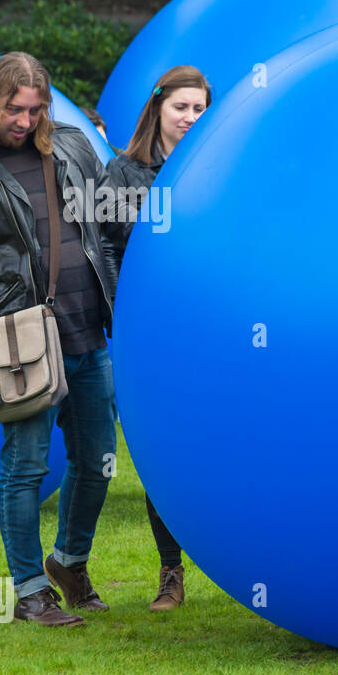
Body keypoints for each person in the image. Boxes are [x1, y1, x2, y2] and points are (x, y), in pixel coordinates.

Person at [0, 52, 130, 625]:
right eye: (14, 108)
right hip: (16, 341)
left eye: (35, 107)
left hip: (89, 332)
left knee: (98, 463)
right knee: (26, 467)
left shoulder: (72, 146)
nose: (25, 119)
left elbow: (111, 229)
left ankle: (69, 561)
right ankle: (29, 592)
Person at [106, 65, 212, 611]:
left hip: (213, 332)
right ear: (158, 109)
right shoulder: (124, 174)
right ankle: (171, 572)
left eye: (200, 108)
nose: (191, 118)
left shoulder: (221, 172)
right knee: (159, 450)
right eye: (182, 107)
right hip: (149, 338)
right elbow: (101, 248)